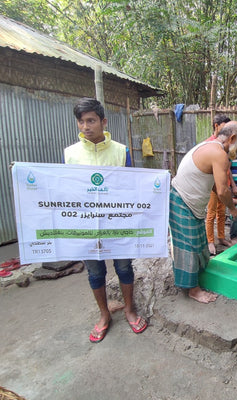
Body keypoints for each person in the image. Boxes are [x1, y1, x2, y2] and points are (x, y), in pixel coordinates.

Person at [64, 97, 147, 343]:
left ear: (103, 121)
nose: (86, 126)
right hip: (87, 226)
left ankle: (130, 310)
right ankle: (104, 315)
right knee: (95, 272)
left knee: (124, 267)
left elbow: (132, 188)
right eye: (81, 122)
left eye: (91, 120)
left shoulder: (121, 152)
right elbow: (66, 191)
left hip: (118, 223)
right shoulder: (70, 154)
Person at [169, 121, 237, 303]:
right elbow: (221, 190)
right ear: (233, 138)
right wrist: (233, 209)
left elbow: (212, 185)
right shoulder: (219, 154)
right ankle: (193, 290)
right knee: (188, 246)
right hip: (182, 200)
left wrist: (230, 200)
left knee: (198, 241)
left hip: (187, 202)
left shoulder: (211, 146)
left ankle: (198, 276)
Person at [205, 115, 232, 255]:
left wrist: (230, 183)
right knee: (211, 213)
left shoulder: (226, 143)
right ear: (216, 125)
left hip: (224, 183)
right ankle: (210, 241)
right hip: (213, 186)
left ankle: (221, 238)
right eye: (224, 126)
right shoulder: (209, 143)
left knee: (222, 212)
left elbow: (228, 166)